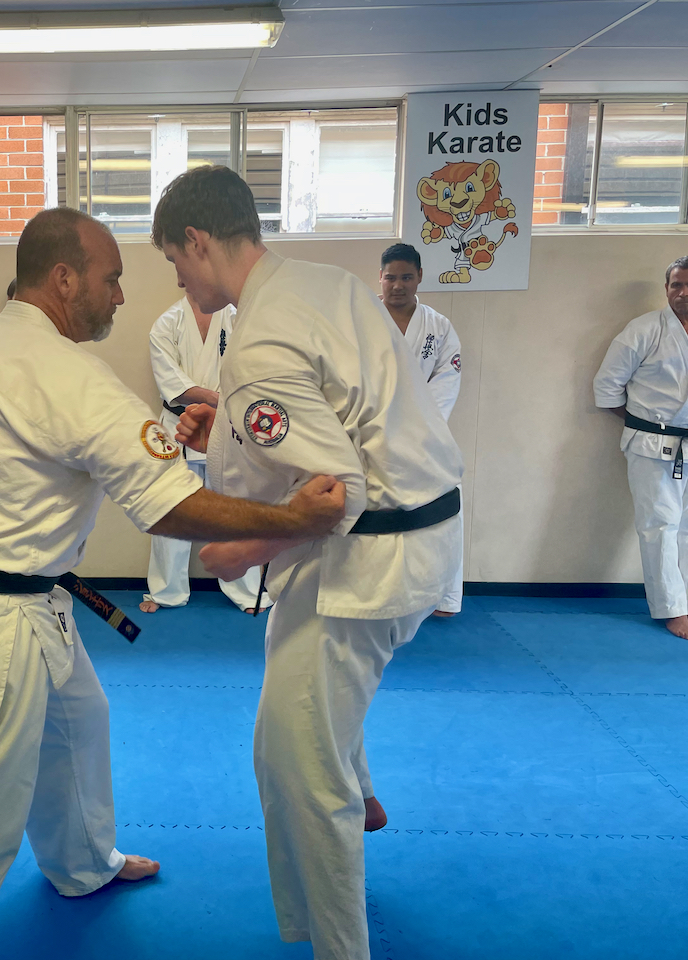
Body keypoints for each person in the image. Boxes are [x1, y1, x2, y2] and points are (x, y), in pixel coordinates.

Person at [0, 207, 348, 960]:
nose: (119, 295)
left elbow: (29, 452)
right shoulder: (66, 372)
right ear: (64, 278)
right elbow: (169, 505)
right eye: (112, 279)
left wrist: (171, 442)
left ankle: (81, 864)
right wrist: (292, 517)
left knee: (79, 720)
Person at [154, 166, 463, 960]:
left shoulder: (259, 340)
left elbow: (335, 493)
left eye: (174, 260)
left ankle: (339, 945)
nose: (178, 279)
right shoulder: (324, 283)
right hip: (422, 533)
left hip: (367, 562)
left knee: (295, 762)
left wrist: (231, 550)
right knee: (300, 686)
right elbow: (342, 412)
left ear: (196, 240)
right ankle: (363, 790)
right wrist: (230, 426)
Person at [594, 255, 688, 642]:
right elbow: (607, 388)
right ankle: (672, 610)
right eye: (676, 285)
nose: (683, 292)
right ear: (667, 289)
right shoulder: (643, 330)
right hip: (653, 446)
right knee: (660, 526)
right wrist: (646, 425)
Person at [140, 293, 268, 614]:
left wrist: (227, 404)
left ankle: (246, 591)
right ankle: (166, 591)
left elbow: (251, 367)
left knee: (232, 508)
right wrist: (216, 398)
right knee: (171, 508)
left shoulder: (237, 317)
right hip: (177, 425)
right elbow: (172, 384)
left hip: (225, 424)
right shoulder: (167, 324)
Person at [379, 242, 463, 616]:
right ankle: (384, 594)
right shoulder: (360, 319)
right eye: (390, 278)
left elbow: (447, 380)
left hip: (426, 434)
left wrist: (416, 426)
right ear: (380, 278)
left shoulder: (438, 326)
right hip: (372, 432)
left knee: (443, 510)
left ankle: (445, 596)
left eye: (406, 277)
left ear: (420, 277)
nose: (398, 285)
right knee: (378, 519)